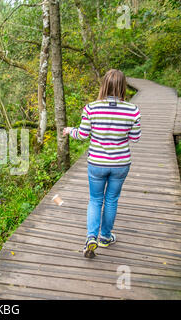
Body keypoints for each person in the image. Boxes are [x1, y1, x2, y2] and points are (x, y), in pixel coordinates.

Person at [63, 69, 141, 258]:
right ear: (123, 86)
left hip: (97, 163)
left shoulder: (91, 108)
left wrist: (69, 130)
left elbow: (82, 135)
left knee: (95, 200)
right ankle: (105, 237)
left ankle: (91, 237)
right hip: (121, 163)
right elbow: (135, 137)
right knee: (112, 200)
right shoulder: (133, 110)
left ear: (104, 85)